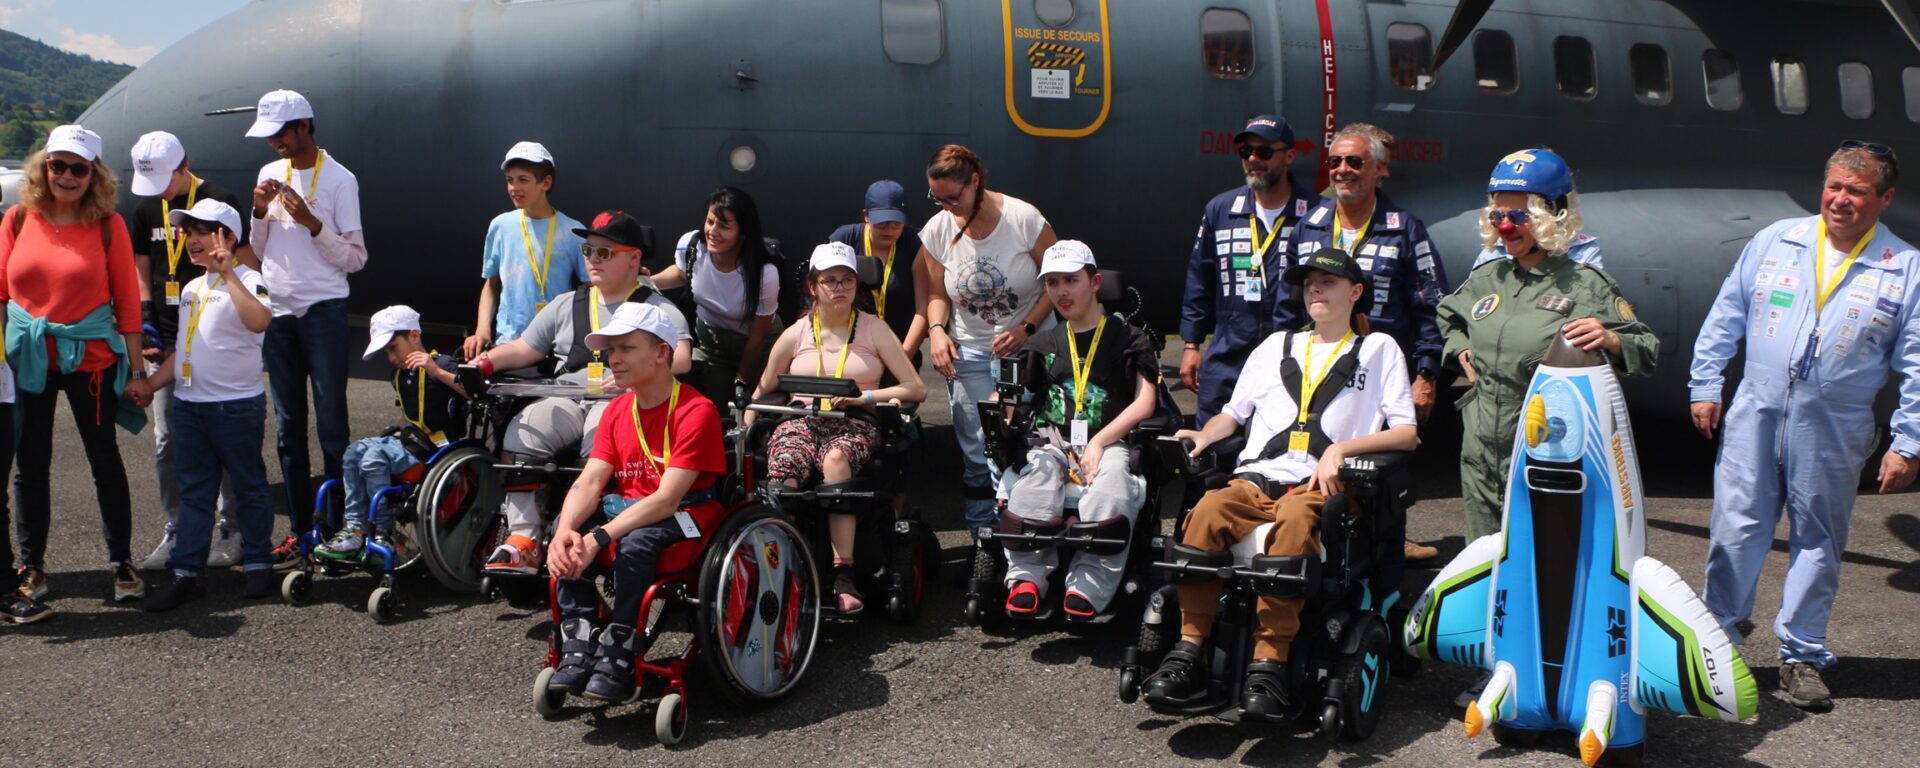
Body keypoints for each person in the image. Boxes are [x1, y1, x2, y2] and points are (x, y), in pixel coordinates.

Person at [1689, 140, 1920, 711]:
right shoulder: (1777, 241)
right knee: (1737, 526)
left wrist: (1908, 442)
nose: (1841, 200)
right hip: (1757, 409)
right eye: (1834, 187)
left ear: (1885, 198)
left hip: (1835, 423)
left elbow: (1917, 363)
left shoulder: (1905, 269)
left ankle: (1802, 655)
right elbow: (1728, 312)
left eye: (1857, 192)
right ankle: (1717, 638)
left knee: (1819, 539)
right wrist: (1705, 382)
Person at [1142, 249, 1417, 717]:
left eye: (1328, 282)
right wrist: (1204, 435)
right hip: (1256, 480)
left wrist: (1340, 450)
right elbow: (1233, 415)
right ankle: (1190, 650)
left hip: (1321, 490)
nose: (1315, 289)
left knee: (1294, 519)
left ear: (1355, 293)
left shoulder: (1378, 350)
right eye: (1309, 282)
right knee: (1205, 511)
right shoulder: (1274, 347)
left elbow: (1407, 433)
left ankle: (1270, 662)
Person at [1438, 148, 1657, 705]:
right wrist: (1459, 352)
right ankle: (1493, 668)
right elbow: (1449, 316)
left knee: (1539, 563)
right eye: (1498, 216)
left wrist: (1610, 340)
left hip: (1542, 453)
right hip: (1480, 446)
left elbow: (1645, 346)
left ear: (1554, 216)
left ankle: (1548, 676)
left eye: (1521, 215)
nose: (1506, 227)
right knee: (1485, 553)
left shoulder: (1585, 284)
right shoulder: (1488, 277)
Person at [473, 210, 692, 573]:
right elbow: (525, 348)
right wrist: (486, 363)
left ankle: (575, 531)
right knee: (522, 432)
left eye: (605, 253)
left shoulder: (655, 308)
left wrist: (632, 376)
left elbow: (681, 358)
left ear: (634, 258)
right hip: (567, 395)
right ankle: (523, 540)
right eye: (589, 251)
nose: (592, 260)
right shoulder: (567, 302)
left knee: (601, 441)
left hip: (622, 401)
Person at [544, 302, 728, 703]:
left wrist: (597, 538)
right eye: (611, 350)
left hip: (690, 514)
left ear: (662, 353)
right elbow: (590, 480)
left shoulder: (697, 410)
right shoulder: (616, 410)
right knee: (565, 526)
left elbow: (666, 500)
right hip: (631, 509)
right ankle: (578, 637)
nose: (614, 359)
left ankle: (622, 649)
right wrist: (564, 533)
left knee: (635, 541)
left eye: (626, 348)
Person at [1286, 122, 1450, 562]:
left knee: (1382, 466)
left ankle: (1391, 548)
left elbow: (1431, 307)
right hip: (1319, 368)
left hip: (1381, 370)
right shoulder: (1307, 227)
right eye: (1335, 161)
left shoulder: (1405, 229)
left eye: (1354, 162)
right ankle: (1318, 540)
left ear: (1380, 170)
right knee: (1320, 455)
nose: (1342, 170)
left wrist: (1427, 373)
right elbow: (1287, 306)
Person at [0, 124, 150, 605]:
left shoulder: (109, 225)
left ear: (93, 175)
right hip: (29, 359)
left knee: (103, 459)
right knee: (31, 465)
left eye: (77, 168)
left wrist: (138, 371)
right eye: (57, 164)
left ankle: (121, 562)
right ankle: (32, 566)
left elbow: (127, 302)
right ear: (44, 167)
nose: (65, 175)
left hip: (92, 361)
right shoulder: (18, 219)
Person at [749, 242, 925, 615]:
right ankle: (783, 566)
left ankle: (842, 572)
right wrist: (745, 428)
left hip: (855, 422)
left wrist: (866, 398)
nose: (839, 288)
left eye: (847, 280)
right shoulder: (796, 332)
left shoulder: (873, 328)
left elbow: (916, 389)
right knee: (785, 466)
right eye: (829, 280)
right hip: (801, 421)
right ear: (813, 286)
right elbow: (762, 389)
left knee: (835, 459)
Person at [1002, 241, 1158, 619]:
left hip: (1111, 439)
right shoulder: (1042, 342)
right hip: (1054, 439)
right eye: (1053, 283)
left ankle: (1088, 584)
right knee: (1032, 482)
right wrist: (1001, 410)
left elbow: (1145, 401)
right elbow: (1017, 397)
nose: (1061, 291)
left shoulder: (1129, 339)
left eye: (1071, 280)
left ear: (1095, 282)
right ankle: (1027, 576)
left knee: (1113, 489)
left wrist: (1101, 442)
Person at [245, 89, 367, 567]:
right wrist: (257, 212)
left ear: (305, 126)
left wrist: (313, 224)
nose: (274, 143)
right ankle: (300, 532)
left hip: (324, 311)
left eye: (280, 133)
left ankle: (338, 530)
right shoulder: (268, 175)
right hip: (277, 312)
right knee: (288, 430)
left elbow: (357, 259)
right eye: (268, 135)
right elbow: (257, 249)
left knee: (332, 427)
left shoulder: (340, 180)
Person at [140, 200, 281, 610]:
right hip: (189, 405)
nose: (192, 240)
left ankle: (258, 565)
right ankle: (187, 573)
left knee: (250, 487)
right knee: (195, 492)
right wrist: (151, 384)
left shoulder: (250, 279)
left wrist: (228, 274)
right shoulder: (191, 287)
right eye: (188, 232)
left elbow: (259, 321)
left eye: (203, 231)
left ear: (230, 238)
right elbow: (184, 350)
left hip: (234, 406)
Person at [127, 130, 251, 572]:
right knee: (169, 442)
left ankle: (230, 530)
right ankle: (177, 528)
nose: (159, 189)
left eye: (165, 178)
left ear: (185, 166)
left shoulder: (219, 200)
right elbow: (141, 266)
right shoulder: (146, 208)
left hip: (211, 336)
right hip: (164, 337)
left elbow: (245, 257)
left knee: (223, 443)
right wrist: (143, 315)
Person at [920, 144, 1060, 531]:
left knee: (1021, 441)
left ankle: (1020, 526)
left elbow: (1056, 282)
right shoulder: (938, 228)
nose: (947, 206)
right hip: (971, 348)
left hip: (1025, 348)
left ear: (975, 182)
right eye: (938, 198)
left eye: (953, 197)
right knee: (975, 447)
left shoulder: (1023, 219)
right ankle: (984, 533)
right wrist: (935, 331)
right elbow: (935, 292)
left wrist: (1026, 327)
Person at [1179, 114, 1317, 424]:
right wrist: (1191, 344)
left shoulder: (1316, 213)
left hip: (1291, 355)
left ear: (1289, 156)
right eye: (1247, 152)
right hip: (1228, 355)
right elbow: (1199, 280)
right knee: (1212, 451)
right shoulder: (1221, 210)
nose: (1254, 159)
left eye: (1265, 152)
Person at [316, 306, 469, 560]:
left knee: (374, 457)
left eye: (392, 347)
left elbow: (474, 394)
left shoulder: (443, 363)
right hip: (410, 441)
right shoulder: (399, 375)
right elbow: (408, 416)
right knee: (353, 452)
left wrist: (436, 372)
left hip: (438, 448)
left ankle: (382, 533)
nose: (390, 357)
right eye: (386, 351)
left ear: (414, 336)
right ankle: (355, 529)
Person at [651, 187, 782, 407]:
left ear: (743, 232)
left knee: (745, 407)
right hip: (712, 345)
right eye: (710, 221)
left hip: (755, 349)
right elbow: (682, 273)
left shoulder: (764, 274)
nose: (713, 231)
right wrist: (644, 282)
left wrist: (741, 381)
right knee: (707, 402)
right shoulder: (692, 246)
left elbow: (757, 339)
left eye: (724, 226)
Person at [462, 141, 589, 359]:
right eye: (509, 180)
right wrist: (482, 329)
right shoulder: (500, 225)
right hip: (508, 342)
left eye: (523, 180)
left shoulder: (573, 230)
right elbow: (492, 283)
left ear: (545, 182)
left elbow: (591, 288)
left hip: (557, 346)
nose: (514, 188)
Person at [828, 180, 927, 363]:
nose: (888, 228)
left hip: (901, 347)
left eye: (896, 223)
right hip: (849, 350)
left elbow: (924, 306)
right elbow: (823, 294)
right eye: (881, 222)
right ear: (866, 216)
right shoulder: (844, 239)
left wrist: (902, 358)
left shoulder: (916, 243)